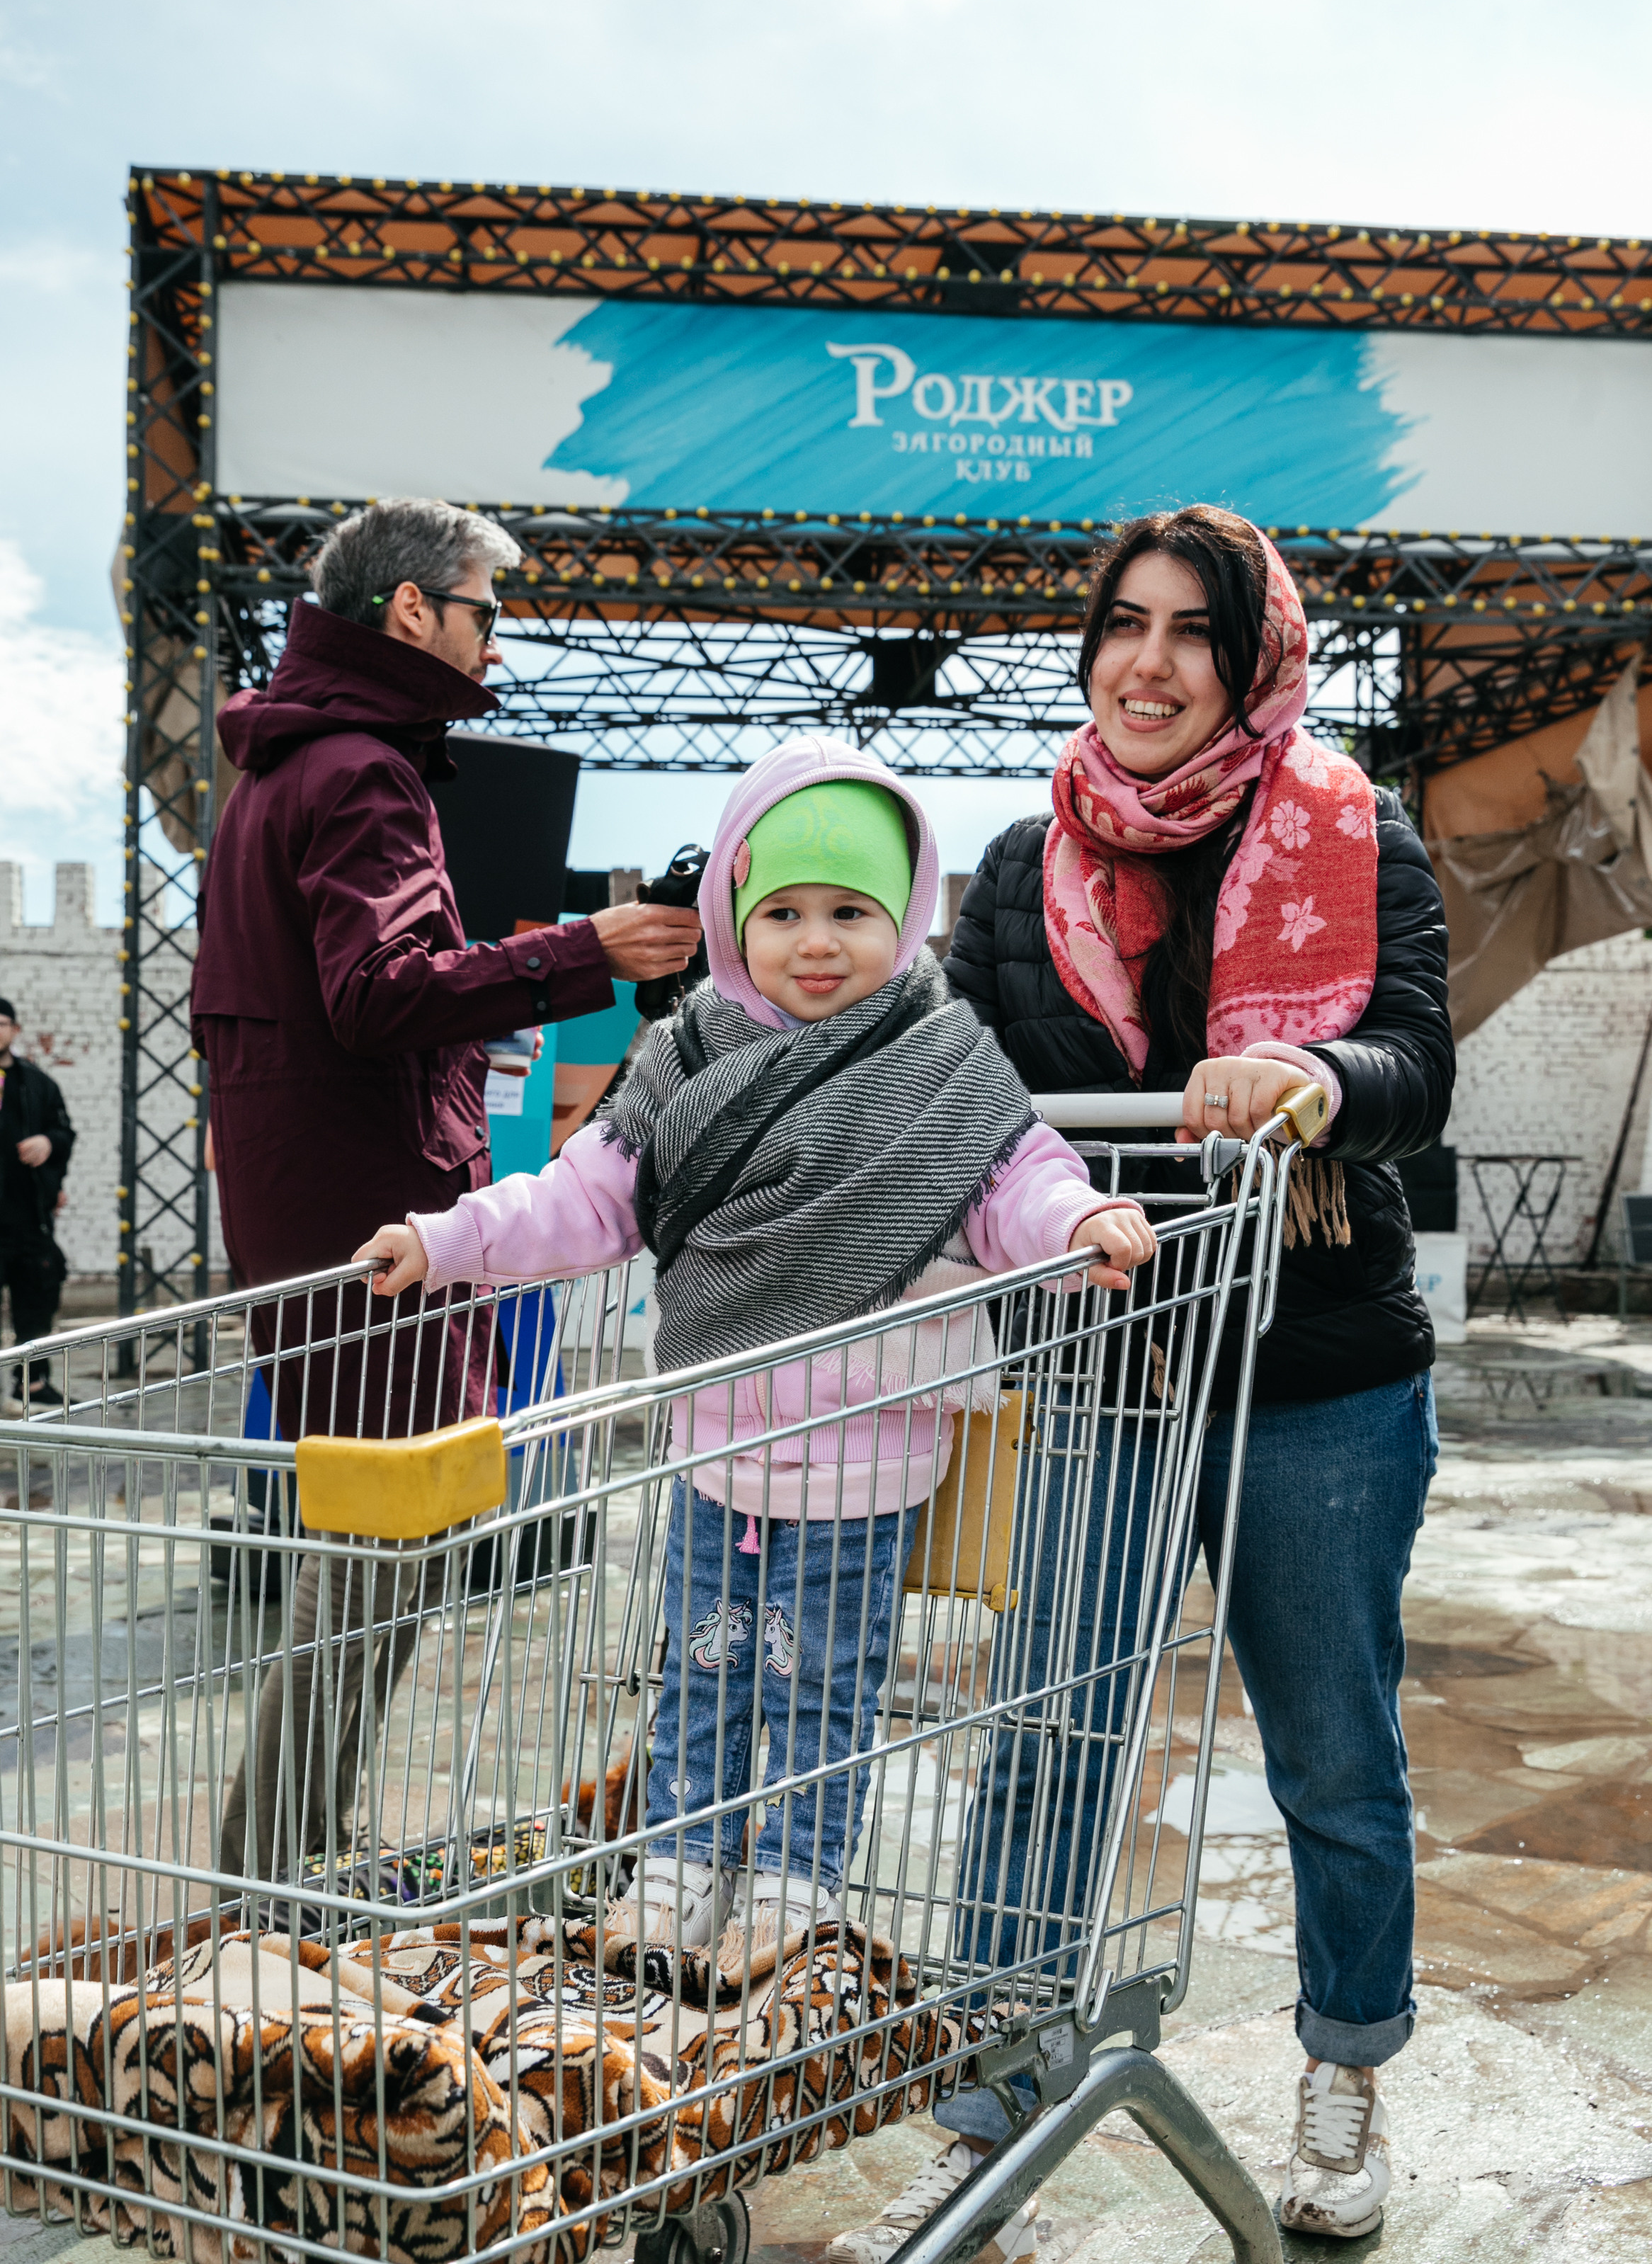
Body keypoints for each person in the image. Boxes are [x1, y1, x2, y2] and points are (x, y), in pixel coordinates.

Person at [831, 507, 1452, 2255]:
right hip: (1103, 1366)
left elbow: (1417, 1059)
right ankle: (996, 2095)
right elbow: (936, 1072)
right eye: (1123, 625)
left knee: (1332, 1750)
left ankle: (1344, 2074)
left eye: (1193, 631)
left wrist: (1312, 1079)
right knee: (1048, 1734)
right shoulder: (1026, 859)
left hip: (1314, 1373)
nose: (1150, 661)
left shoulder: (1347, 825)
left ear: (1252, 660)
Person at [359, 736, 1156, 1969]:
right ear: (734, 912)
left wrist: (1080, 1219)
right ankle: (675, 1872)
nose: (816, 941)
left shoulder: (939, 1061)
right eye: (782, 911)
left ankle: (789, 1890)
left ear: (904, 920)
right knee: (698, 1675)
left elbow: (1018, 1178)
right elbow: (578, 1198)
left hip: (867, 1459)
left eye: (850, 910)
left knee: (821, 1691)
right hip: (715, 1446)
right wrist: (445, 1238)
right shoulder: (684, 1054)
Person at [192, 496, 701, 1887]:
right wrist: (580, 951)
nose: (497, 644)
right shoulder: (362, 772)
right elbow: (379, 994)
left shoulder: (285, 773)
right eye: (486, 611)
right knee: (378, 1555)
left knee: (371, 1548)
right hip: (379, 1227)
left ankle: (286, 1853)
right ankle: (268, 1874)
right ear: (412, 611)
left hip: (325, 1208)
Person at [0, 997, 74, 1417]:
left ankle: (34, 1385)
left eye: (2, 1022)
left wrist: (48, 1145)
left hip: (28, 1220)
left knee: (36, 1302)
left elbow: (64, 1132)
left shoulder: (37, 1083)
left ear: (15, 1028)